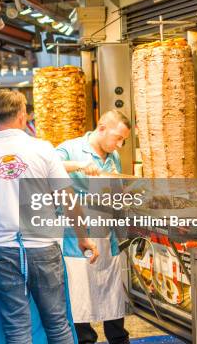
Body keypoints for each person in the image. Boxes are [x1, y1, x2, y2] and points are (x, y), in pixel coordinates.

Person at [0, 90, 99, 344]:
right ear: (23, 116)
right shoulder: (42, 149)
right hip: (44, 247)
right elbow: (67, 197)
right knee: (56, 322)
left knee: (16, 327)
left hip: (2, 250)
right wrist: (83, 237)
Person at [56, 110, 132, 344]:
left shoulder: (113, 156)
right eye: (117, 138)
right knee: (80, 294)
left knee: (111, 294)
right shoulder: (70, 148)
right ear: (101, 128)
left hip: (105, 233)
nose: (119, 145)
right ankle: (85, 340)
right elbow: (49, 166)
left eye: (123, 141)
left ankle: (118, 339)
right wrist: (79, 165)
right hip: (77, 233)